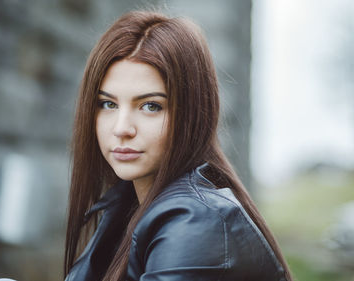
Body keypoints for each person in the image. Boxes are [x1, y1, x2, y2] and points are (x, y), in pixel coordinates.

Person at [64, 10, 293, 281]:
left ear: (191, 113)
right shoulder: (127, 204)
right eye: (108, 104)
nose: (122, 128)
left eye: (151, 106)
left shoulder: (195, 222)